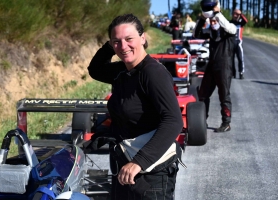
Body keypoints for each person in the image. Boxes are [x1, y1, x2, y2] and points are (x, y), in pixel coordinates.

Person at [87, 13, 184, 199]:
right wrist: (110, 46)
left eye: (129, 39)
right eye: (116, 42)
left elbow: (173, 121)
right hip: (124, 165)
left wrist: (139, 162)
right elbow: (95, 70)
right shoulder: (122, 70)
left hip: (150, 174)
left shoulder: (153, 74)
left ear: (142, 38)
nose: (123, 47)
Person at [193, 0, 236, 132]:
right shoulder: (211, 32)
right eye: (211, 21)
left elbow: (229, 27)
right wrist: (202, 19)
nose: (213, 23)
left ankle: (226, 123)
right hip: (211, 66)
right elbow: (196, 33)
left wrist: (217, 13)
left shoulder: (229, 30)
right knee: (203, 94)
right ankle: (202, 120)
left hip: (225, 66)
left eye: (214, 21)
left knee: (224, 95)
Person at [230, 9, 248, 79]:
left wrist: (240, 14)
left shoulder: (241, 22)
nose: (235, 15)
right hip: (231, 42)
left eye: (237, 14)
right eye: (234, 14)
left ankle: (241, 73)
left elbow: (246, 20)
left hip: (239, 43)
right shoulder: (230, 22)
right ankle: (232, 73)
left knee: (240, 58)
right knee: (231, 59)